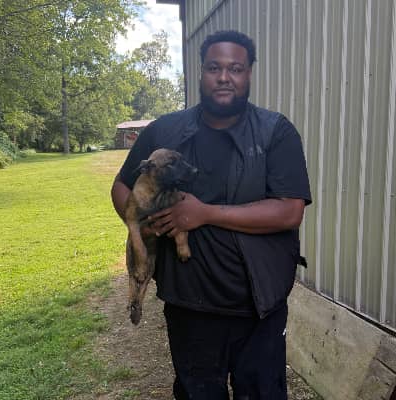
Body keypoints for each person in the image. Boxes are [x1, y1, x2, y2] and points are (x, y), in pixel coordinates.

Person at [111, 30, 311, 400]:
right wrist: (143, 221)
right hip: (189, 305)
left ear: (249, 73)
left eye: (235, 68)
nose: (224, 77)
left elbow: (289, 211)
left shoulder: (275, 132)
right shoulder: (165, 130)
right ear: (201, 72)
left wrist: (203, 213)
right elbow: (122, 186)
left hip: (257, 307)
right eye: (214, 68)